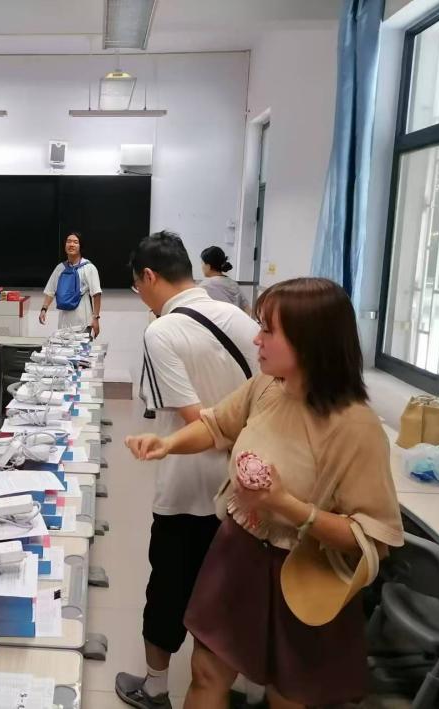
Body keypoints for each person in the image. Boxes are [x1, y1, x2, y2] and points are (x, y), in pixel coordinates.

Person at [126, 277, 403, 709]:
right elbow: (217, 424)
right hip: (239, 551)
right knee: (206, 670)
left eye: (269, 331)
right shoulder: (267, 388)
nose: (257, 339)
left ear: (311, 342)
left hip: (301, 570)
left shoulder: (356, 427)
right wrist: (167, 444)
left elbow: (371, 537)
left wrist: (286, 506)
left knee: (288, 695)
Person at [116, 231, 259, 709]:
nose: (141, 296)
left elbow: (197, 419)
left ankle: (156, 687)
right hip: (245, 489)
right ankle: (226, 685)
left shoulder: (162, 331)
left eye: (137, 287)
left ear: (149, 277)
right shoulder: (240, 319)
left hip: (189, 485)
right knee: (227, 594)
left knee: (169, 590)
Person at [39, 232, 102, 337]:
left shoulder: (89, 268)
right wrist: (44, 309)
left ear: (80, 246)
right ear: (65, 246)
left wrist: (96, 318)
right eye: (68, 241)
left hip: (83, 322)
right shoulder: (60, 268)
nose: (71, 244)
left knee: (81, 347)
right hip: (64, 323)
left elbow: (97, 294)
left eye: (75, 242)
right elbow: (50, 291)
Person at [200, 246, 250, 314]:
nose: (201, 267)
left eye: (202, 263)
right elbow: (247, 308)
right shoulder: (233, 283)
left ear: (208, 266)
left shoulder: (204, 286)